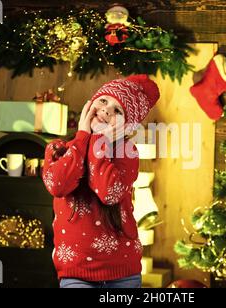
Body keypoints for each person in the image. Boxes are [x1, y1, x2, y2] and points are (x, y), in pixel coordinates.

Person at [42, 74, 160, 288]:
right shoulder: (59, 149)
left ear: (127, 126)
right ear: (90, 105)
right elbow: (58, 185)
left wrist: (100, 141)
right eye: (103, 101)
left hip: (122, 271)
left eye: (118, 111)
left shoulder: (127, 153)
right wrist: (82, 137)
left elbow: (109, 193)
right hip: (75, 271)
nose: (107, 110)